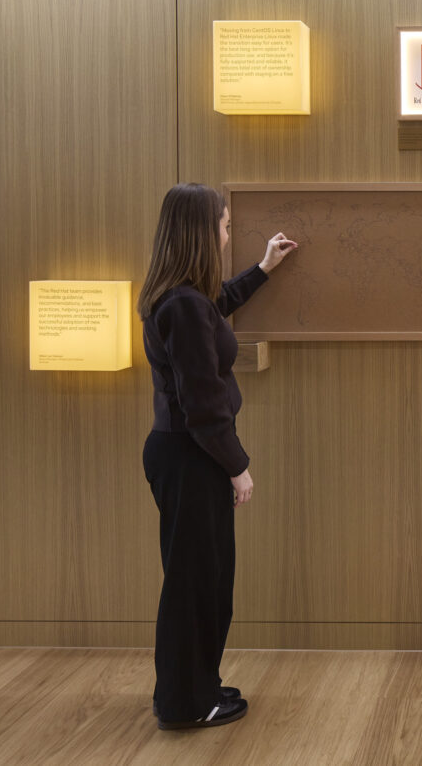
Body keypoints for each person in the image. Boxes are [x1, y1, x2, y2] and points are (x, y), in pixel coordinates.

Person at [136, 183, 297, 730]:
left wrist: (262, 268)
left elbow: (215, 306)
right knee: (196, 585)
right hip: (191, 456)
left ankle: (192, 687)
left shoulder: (183, 296)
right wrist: (238, 465)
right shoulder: (181, 303)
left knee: (201, 579)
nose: (228, 235)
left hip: (186, 454)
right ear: (200, 233)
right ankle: (186, 704)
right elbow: (203, 404)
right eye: (225, 227)